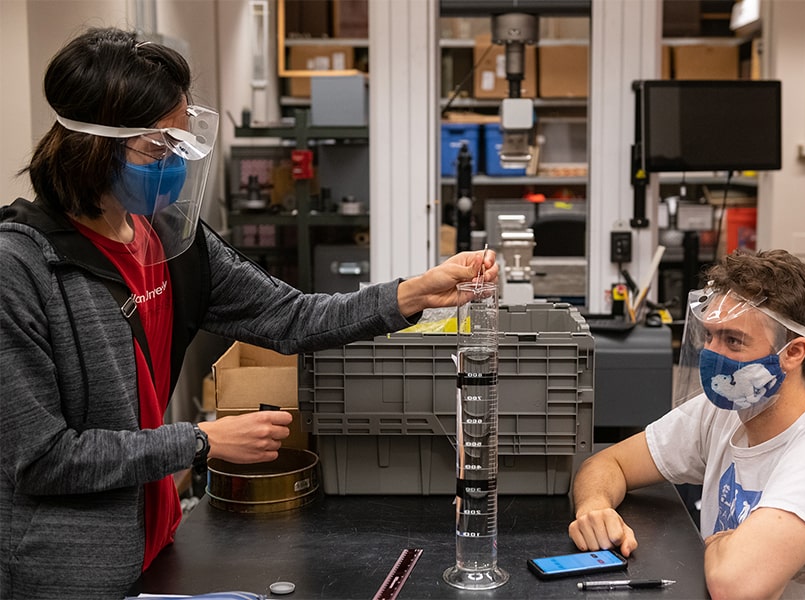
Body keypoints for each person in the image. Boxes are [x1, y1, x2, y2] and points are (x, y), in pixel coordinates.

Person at [0, 27, 498, 600]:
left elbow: (292, 317)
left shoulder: (166, 239)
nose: (174, 165)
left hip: (155, 546)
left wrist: (414, 293)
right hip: (67, 575)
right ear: (91, 147)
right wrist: (200, 442)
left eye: (181, 144)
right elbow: (42, 460)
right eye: (156, 149)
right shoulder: (24, 268)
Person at [568, 249, 805, 599]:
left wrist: (718, 548)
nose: (713, 353)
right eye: (710, 336)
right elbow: (607, 463)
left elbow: (734, 584)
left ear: (793, 353)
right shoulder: (723, 414)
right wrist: (595, 508)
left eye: (733, 340)